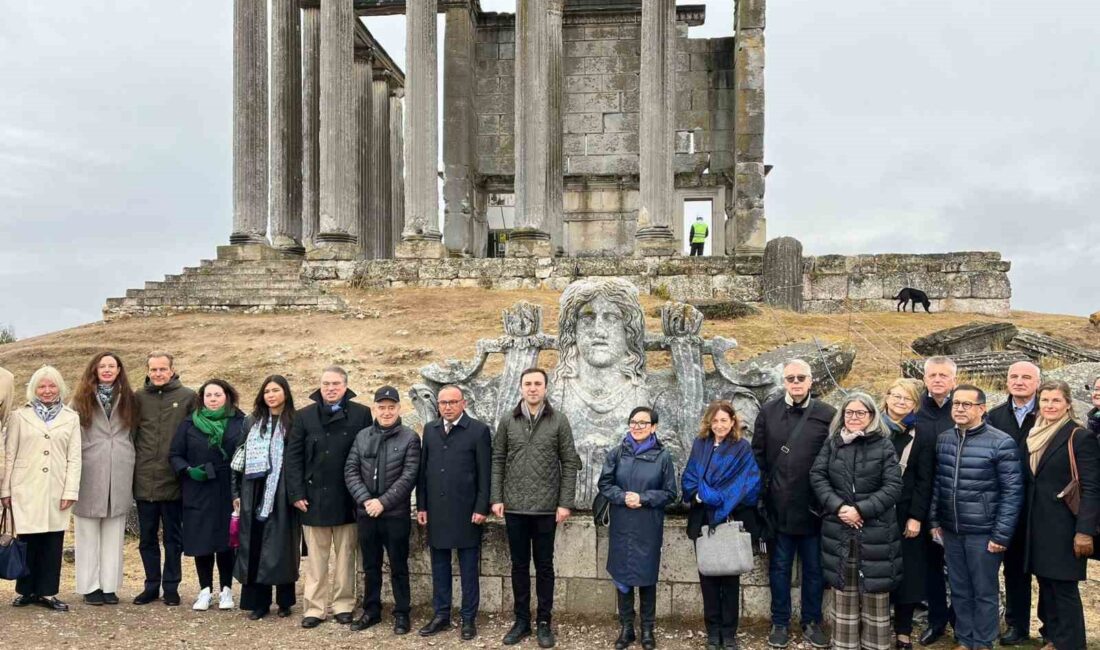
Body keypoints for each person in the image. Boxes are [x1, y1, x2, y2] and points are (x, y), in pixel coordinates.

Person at [492, 367, 582, 649]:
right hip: (515, 508)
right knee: (519, 566)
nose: (532, 388)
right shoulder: (508, 420)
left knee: (544, 567)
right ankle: (521, 621)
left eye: (537, 384)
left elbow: (569, 461)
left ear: (546, 388)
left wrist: (565, 502)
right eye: (528, 384)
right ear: (521, 388)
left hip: (545, 509)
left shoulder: (559, 421)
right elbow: (497, 459)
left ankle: (544, 622)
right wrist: (496, 497)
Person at [928, 384, 1023, 650]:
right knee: (959, 589)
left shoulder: (1001, 442)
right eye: (956, 403)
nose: (959, 408)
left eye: (966, 404)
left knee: (984, 591)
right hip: (951, 529)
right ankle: (965, 639)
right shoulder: (945, 438)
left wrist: (1001, 535)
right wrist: (934, 521)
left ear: (981, 408)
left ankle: (982, 642)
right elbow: (939, 483)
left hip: (984, 532)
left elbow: (1012, 494)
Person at [750, 359, 835, 649]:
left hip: (815, 508)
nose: (796, 382)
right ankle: (780, 622)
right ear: (783, 381)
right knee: (779, 569)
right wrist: (762, 497)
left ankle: (812, 622)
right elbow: (758, 456)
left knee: (815, 570)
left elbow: (835, 459)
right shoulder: (768, 411)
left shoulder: (827, 414)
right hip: (779, 508)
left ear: (811, 381)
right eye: (790, 378)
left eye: (801, 377)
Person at [811, 392, 903, 650]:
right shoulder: (833, 443)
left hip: (875, 534)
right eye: (849, 412)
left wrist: (860, 510)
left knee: (875, 597)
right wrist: (839, 507)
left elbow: (893, 486)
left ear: (872, 416)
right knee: (844, 598)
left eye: (860, 413)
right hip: (839, 532)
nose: (854, 417)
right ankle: (844, 645)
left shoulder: (883, 445)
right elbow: (817, 476)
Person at [285, 366, 372, 629]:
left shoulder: (362, 414)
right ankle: (314, 608)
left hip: (349, 498)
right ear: (319, 386)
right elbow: (293, 458)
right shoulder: (304, 416)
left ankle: (344, 605)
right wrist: (296, 493)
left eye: (336, 383)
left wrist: (364, 495)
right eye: (326, 384)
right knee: (316, 559)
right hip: (313, 499)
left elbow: (368, 456)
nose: (330, 388)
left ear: (346, 386)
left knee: (346, 557)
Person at [1020, 380, 1099, 650]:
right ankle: (1054, 639)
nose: (1050, 405)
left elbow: (1091, 488)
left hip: (1066, 529)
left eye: (1056, 400)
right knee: (1046, 586)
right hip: (1038, 527)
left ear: (1068, 403)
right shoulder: (1035, 433)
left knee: (1064, 589)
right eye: (1045, 400)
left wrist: (1084, 531)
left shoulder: (1079, 436)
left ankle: (1072, 644)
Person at [681, 401, 761, 650]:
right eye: (714, 421)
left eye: (724, 420)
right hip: (703, 519)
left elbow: (749, 483)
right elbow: (690, 477)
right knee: (708, 578)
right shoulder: (700, 445)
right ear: (709, 422)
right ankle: (712, 631)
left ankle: (729, 633)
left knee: (730, 579)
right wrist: (698, 495)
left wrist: (718, 497)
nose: (719, 425)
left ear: (732, 422)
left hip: (731, 518)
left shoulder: (742, 448)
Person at [1, 366, 81, 611]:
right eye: (42, 386)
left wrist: (70, 491)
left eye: (52, 386)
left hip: (56, 488)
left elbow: (74, 457)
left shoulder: (71, 417)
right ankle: (26, 591)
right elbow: (10, 454)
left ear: (60, 388)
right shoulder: (18, 416)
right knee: (27, 540)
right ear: (33, 389)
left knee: (52, 541)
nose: (47, 391)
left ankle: (47, 592)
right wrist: (5, 490)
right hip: (25, 487)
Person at [416, 385, 492, 641]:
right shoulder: (430, 430)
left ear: (464, 403)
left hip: (467, 511)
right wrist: (422, 505)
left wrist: (482, 507)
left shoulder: (478, 431)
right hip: (437, 511)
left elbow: (485, 473)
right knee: (439, 566)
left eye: (452, 402)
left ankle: (468, 618)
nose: (447, 406)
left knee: (469, 568)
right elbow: (423, 471)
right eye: (443, 402)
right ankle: (441, 614)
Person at [598, 406, 677, 650]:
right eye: (633, 421)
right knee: (622, 575)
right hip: (622, 523)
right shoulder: (617, 453)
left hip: (648, 526)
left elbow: (671, 493)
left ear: (653, 427)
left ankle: (647, 630)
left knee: (647, 577)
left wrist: (643, 498)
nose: (637, 426)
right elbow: (605, 484)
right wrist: (622, 497)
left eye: (643, 423)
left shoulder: (663, 457)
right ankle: (627, 628)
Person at [344, 385, 421, 634]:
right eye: (382, 407)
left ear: (399, 408)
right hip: (367, 514)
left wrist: (383, 502)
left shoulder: (410, 437)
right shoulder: (363, 436)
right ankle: (372, 610)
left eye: (391, 407)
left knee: (399, 566)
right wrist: (367, 500)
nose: (386, 412)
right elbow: (351, 470)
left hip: (395, 515)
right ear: (375, 408)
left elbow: (409, 476)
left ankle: (402, 613)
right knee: (370, 565)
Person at [169, 378, 245, 612]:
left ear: (227, 397)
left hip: (227, 488)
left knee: (226, 541)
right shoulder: (189, 424)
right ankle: (204, 590)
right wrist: (188, 470)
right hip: (198, 488)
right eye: (208, 395)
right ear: (201, 398)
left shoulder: (240, 422)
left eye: (218, 395)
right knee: (201, 541)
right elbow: (175, 454)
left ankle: (226, 590)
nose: (213, 399)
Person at [231, 375, 300, 620]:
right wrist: (236, 492)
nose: (271, 395)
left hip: (282, 492)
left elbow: (299, 460)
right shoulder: (251, 422)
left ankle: (284, 601)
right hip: (253, 490)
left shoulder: (295, 421)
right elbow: (238, 459)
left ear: (285, 393)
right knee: (255, 547)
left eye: (276, 390)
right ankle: (258, 603)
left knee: (282, 548)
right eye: (267, 391)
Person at [71, 352, 137, 606]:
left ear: (119, 370)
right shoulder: (80, 399)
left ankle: (109, 586)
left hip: (120, 469)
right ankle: (89, 586)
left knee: (114, 533)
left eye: (112, 366)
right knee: (87, 533)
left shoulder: (130, 399)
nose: (107, 370)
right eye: (102, 366)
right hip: (89, 469)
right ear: (94, 370)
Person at [132, 351, 195, 606]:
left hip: (174, 481)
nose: (158, 374)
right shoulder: (137, 398)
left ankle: (171, 586)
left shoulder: (188, 397)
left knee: (173, 539)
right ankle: (150, 585)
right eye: (154, 369)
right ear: (148, 371)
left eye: (163, 369)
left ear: (172, 369)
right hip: (144, 479)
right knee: (146, 538)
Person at [986, 361, 1041, 645]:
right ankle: (1003, 624)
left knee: (1033, 570)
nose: (1019, 381)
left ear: (1037, 382)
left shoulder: (1048, 413)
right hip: (1001, 505)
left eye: (1026, 377)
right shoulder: (994, 416)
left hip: (1038, 506)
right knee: (1000, 568)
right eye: (1014, 377)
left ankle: (1034, 627)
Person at [878, 378, 935, 649]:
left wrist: (916, 517)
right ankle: (874, 628)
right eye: (896, 396)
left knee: (907, 574)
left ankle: (903, 631)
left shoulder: (922, 434)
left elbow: (925, 480)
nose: (901, 402)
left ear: (915, 404)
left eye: (907, 399)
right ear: (887, 397)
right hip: (873, 512)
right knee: (876, 570)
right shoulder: (871, 426)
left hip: (904, 512)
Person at [914, 356, 957, 646]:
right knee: (931, 567)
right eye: (933, 375)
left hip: (957, 501)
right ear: (925, 378)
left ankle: (961, 619)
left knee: (960, 568)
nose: (938, 379)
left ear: (954, 379)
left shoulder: (964, 407)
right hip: (922, 500)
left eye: (944, 375)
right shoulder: (915, 409)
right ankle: (936, 621)